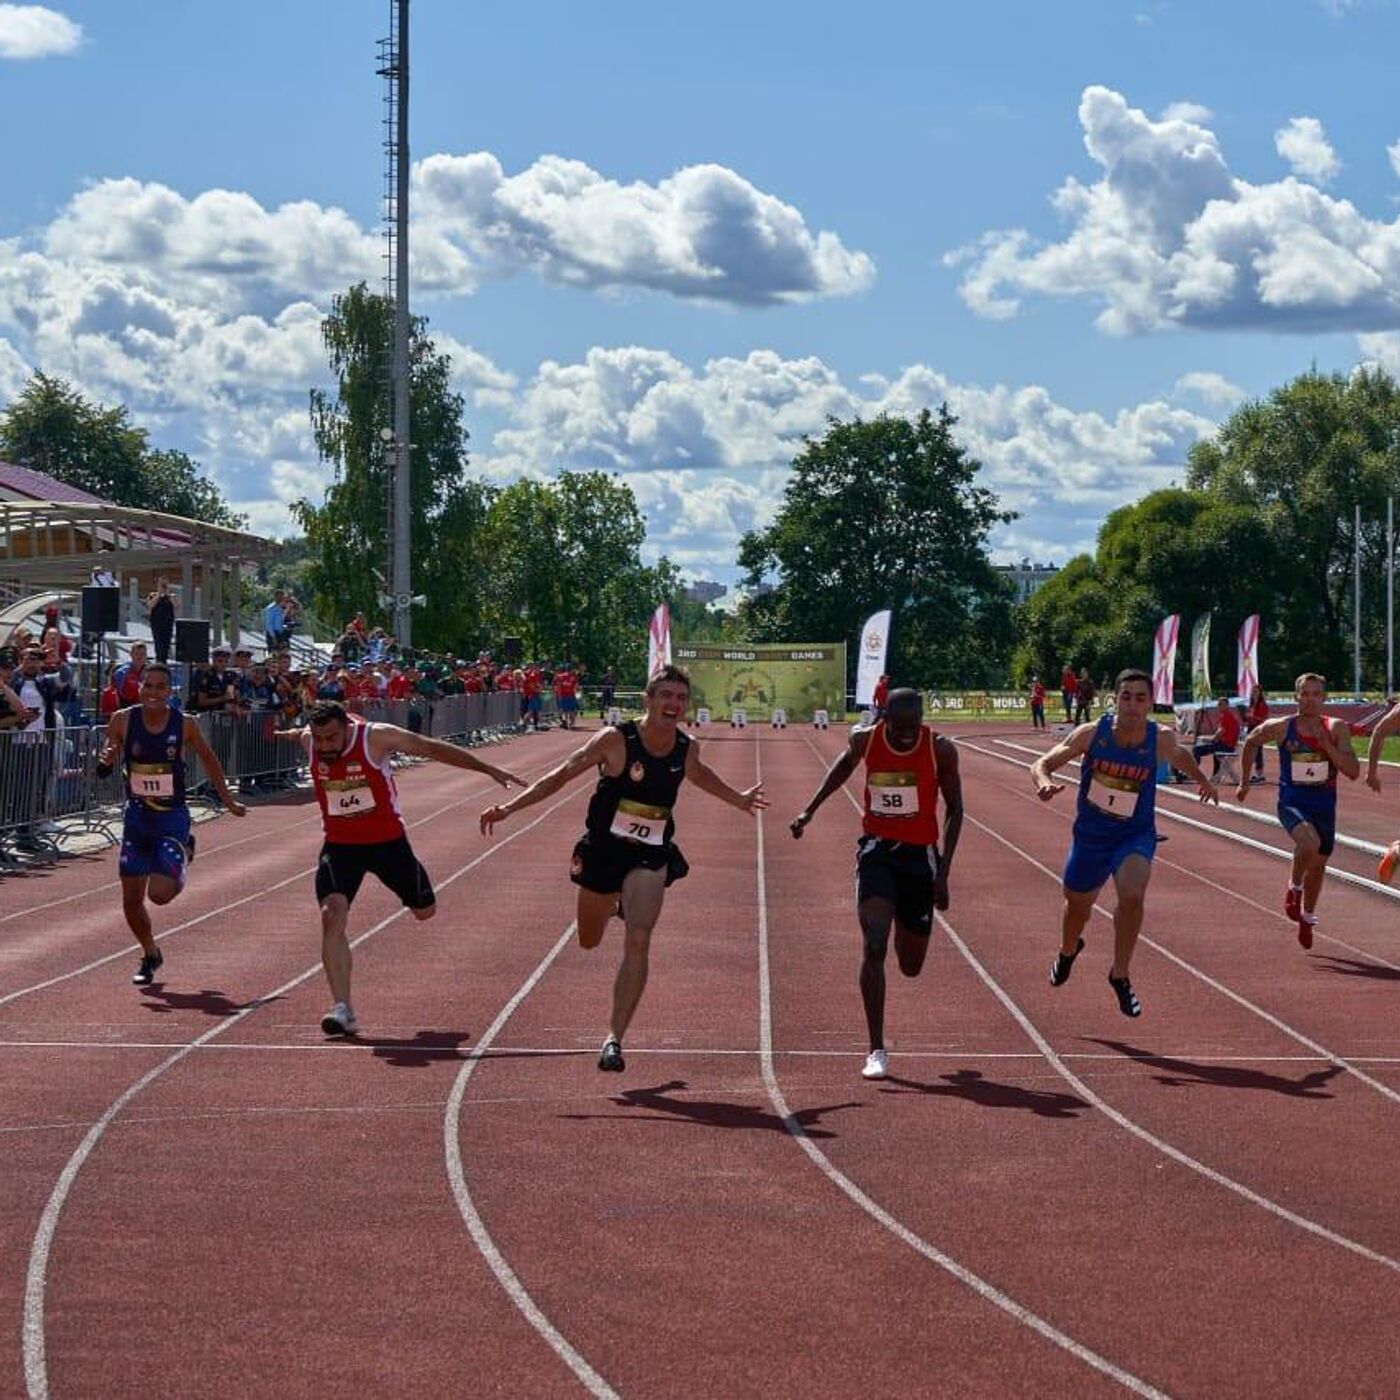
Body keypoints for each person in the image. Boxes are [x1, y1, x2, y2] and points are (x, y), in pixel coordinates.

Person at [479, 665, 767, 1072]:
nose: (673, 704)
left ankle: (614, 1038)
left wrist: (737, 799)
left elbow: (699, 775)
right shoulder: (616, 740)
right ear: (648, 699)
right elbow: (561, 775)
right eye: (665, 695)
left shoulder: (686, 747)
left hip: (650, 853)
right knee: (588, 939)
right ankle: (613, 903)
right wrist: (509, 808)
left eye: (681, 698)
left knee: (639, 939)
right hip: (603, 851)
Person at [282, 701, 523, 1036]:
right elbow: (301, 734)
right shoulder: (311, 740)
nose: (324, 746)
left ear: (347, 728)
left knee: (425, 910)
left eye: (331, 738)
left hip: (388, 844)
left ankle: (416, 880)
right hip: (340, 846)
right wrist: (291, 733)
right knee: (331, 915)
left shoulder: (376, 738)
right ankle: (343, 1009)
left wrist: (487, 769)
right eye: (319, 739)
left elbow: (431, 748)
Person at [790, 688, 963, 1079]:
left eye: (913, 726)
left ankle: (907, 916)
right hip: (877, 852)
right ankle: (876, 1049)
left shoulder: (941, 749)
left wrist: (945, 873)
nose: (906, 735)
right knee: (873, 944)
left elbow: (956, 807)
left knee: (911, 965)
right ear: (883, 717)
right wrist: (809, 810)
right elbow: (843, 766)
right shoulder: (865, 739)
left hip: (920, 859)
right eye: (899, 727)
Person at [1032, 668, 1218, 1017]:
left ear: (1150, 703)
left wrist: (1203, 781)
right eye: (1126, 697)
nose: (1133, 705)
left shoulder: (1158, 738)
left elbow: (1182, 757)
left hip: (1134, 834)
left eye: (1141, 698)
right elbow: (1043, 762)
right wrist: (1043, 781)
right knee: (1077, 907)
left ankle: (1120, 974)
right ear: (1114, 700)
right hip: (1091, 837)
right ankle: (1068, 950)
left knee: (1132, 896)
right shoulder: (1092, 734)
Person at [98, 663, 247, 984]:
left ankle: (183, 851)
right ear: (140, 689)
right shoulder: (122, 720)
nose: (153, 692)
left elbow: (210, 761)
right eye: (148, 686)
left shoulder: (185, 724)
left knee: (160, 895)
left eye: (160, 687)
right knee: (131, 899)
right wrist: (105, 760)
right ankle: (150, 953)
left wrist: (229, 800)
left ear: (170, 691)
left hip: (171, 817)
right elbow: (103, 765)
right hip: (137, 818)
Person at [1238, 673, 1359, 947]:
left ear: (1324, 698)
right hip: (1292, 802)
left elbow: (1352, 771)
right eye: (1305, 693)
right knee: (1309, 843)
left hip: (1324, 806)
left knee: (1318, 866)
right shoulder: (1281, 727)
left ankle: (1307, 916)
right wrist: (1245, 782)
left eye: (1316, 694)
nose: (1310, 699)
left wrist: (1327, 746)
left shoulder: (1336, 728)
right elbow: (1251, 742)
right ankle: (1294, 888)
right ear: (1296, 697)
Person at [1191, 696, 1241, 777]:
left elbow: (1221, 731)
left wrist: (1212, 739)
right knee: (1213, 749)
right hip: (1228, 745)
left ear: (1226, 705)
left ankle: (1193, 772)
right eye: (1218, 704)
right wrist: (1213, 739)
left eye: (1221, 704)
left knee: (1196, 749)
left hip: (1226, 746)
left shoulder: (1226, 716)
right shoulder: (1228, 715)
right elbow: (1222, 732)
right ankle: (1216, 774)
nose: (1218, 706)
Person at [145, 578, 176, 665]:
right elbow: (150, 605)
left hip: (167, 624)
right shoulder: (153, 595)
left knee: (166, 645)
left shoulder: (171, 596)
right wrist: (159, 594)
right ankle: (159, 662)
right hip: (156, 624)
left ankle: (163, 662)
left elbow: (176, 606)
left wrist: (167, 594)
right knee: (158, 644)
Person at [1245, 684, 1269, 783]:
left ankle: (1260, 775)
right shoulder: (1251, 704)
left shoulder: (1262, 705)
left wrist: (1253, 717)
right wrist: (1246, 716)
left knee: (1258, 752)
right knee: (1252, 752)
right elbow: (1250, 717)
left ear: (1260, 693)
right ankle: (1257, 773)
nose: (1254, 693)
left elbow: (1264, 719)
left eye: (1256, 691)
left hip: (1259, 729)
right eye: (1253, 691)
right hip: (1251, 728)